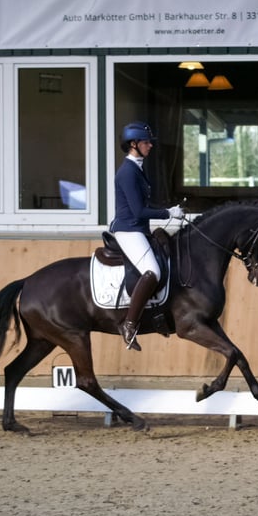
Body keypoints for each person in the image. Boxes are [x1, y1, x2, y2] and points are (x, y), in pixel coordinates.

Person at [109, 121, 184, 351]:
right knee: (153, 271)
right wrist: (168, 212)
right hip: (128, 229)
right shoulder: (127, 172)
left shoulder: (138, 168)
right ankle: (129, 324)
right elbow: (138, 211)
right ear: (133, 144)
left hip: (138, 228)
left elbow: (144, 205)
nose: (150, 145)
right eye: (145, 142)